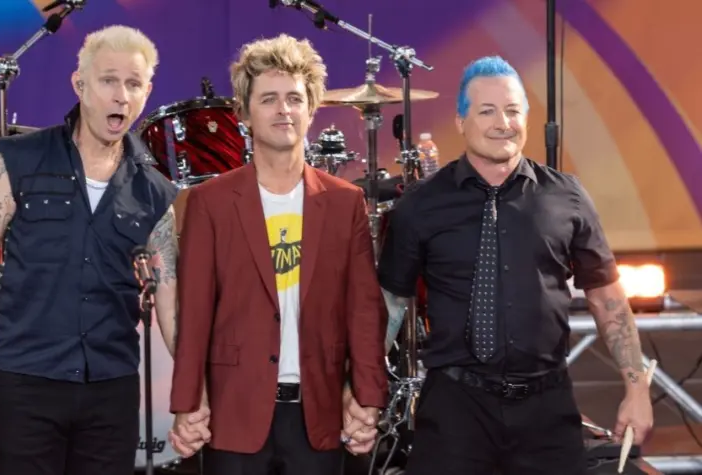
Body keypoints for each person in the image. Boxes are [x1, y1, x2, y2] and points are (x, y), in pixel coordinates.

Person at [377, 56, 654, 475]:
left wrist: (637, 389)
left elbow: (606, 296)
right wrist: (362, 394)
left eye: (512, 110)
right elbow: (391, 306)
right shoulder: (421, 204)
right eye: (487, 111)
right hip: (454, 410)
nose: (502, 123)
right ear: (461, 121)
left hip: (547, 409)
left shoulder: (567, 196)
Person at [0, 25, 179, 475]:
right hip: (25, 380)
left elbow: (169, 300)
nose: (121, 96)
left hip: (110, 388)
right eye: (108, 80)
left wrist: (192, 389)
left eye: (133, 84)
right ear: (80, 84)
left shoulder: (155, 191)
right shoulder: (20, 160)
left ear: (147, 92)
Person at [167, 33, 389, 474]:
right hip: (234, 414)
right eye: (268, 99)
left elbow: (364, 310)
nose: (283, 110)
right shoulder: (210, 202)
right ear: (244, 113)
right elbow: (194, 313)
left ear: (311, 108)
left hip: (319, 414)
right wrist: (188, 402)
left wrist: (367, 398)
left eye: (294, 98)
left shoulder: (345, 202)